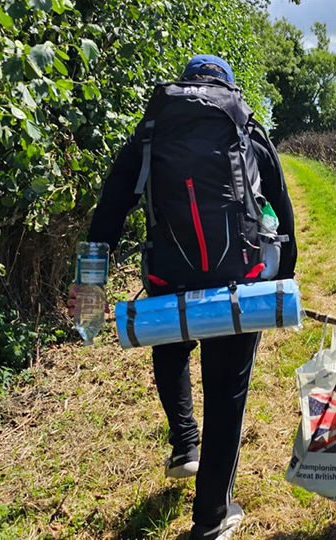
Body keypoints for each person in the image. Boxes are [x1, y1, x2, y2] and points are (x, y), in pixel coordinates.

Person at [68, 55, 296, 540]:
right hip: (238, 278)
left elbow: (111, 204)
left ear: (188, 83)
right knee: (227, 391)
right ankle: (212, 517)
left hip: (168, 279)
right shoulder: (244, 125)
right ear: (227, 86)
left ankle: (184, 446)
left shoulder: (153, 130)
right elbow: (281, 205)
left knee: (170, 352)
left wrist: (91, 281)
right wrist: (285, 276)